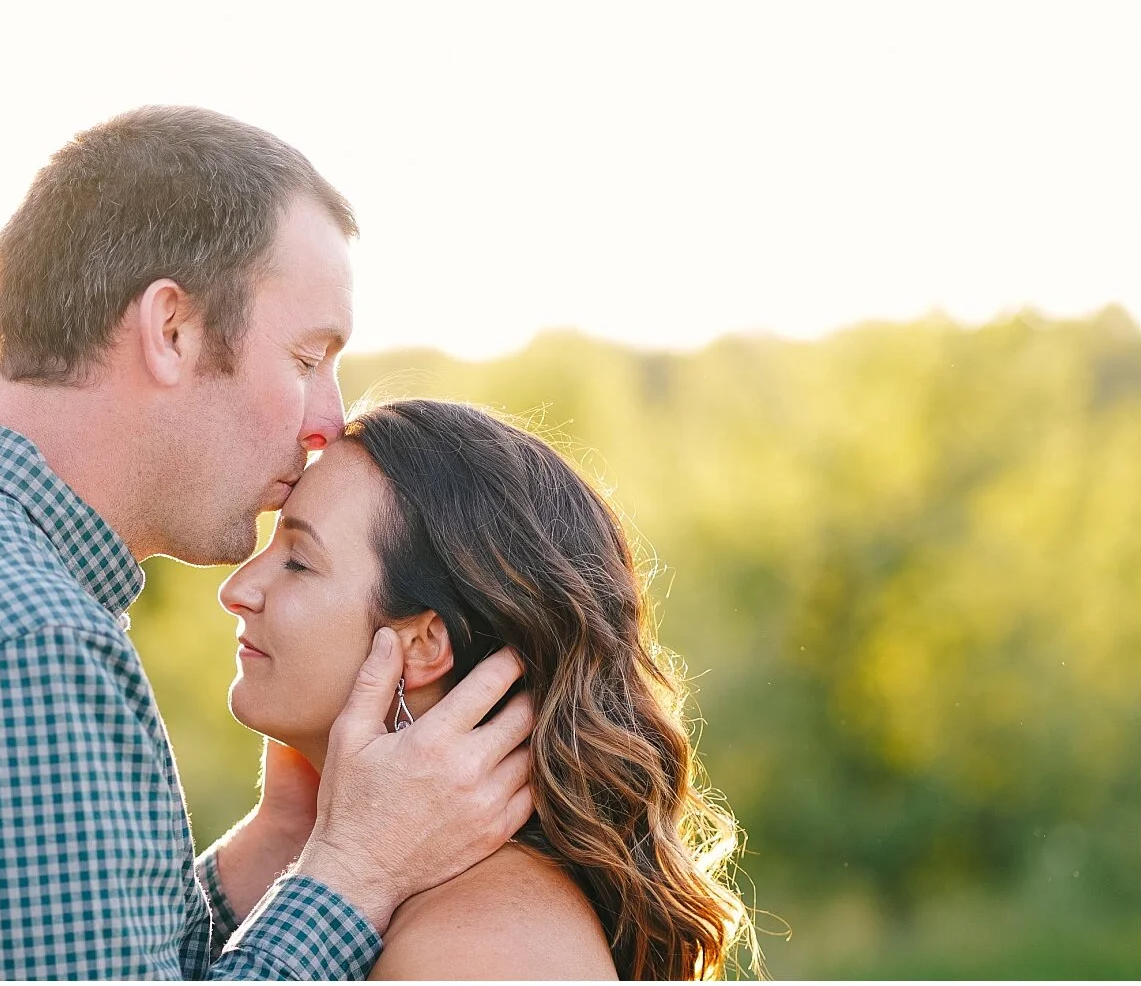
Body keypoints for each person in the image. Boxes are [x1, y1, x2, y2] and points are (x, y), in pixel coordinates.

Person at [0, 106, 533, 979]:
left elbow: (54, 944)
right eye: (306, 361)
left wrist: (282, 845)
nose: (327, 421)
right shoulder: (18, 641)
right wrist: (359, 872)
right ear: (172, 330)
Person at [217, 398, 754, 980]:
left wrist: (349, 862)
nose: (237, 588)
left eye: (298, 561)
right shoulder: (425, 908)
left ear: (423, 644)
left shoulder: (486, 948)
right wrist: (283, 839)